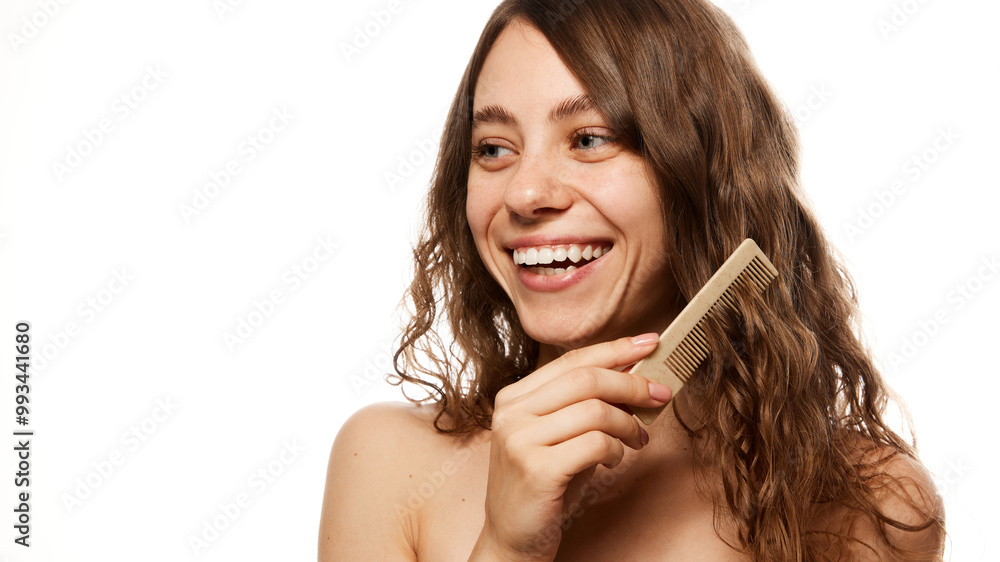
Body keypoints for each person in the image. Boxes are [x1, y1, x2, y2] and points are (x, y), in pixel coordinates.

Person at [318, 0, 946, 559]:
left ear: (699, 176)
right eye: (492, 148)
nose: (525, 191)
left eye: (590, 138)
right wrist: (507, 546)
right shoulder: (386, 467)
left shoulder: (867, 502)